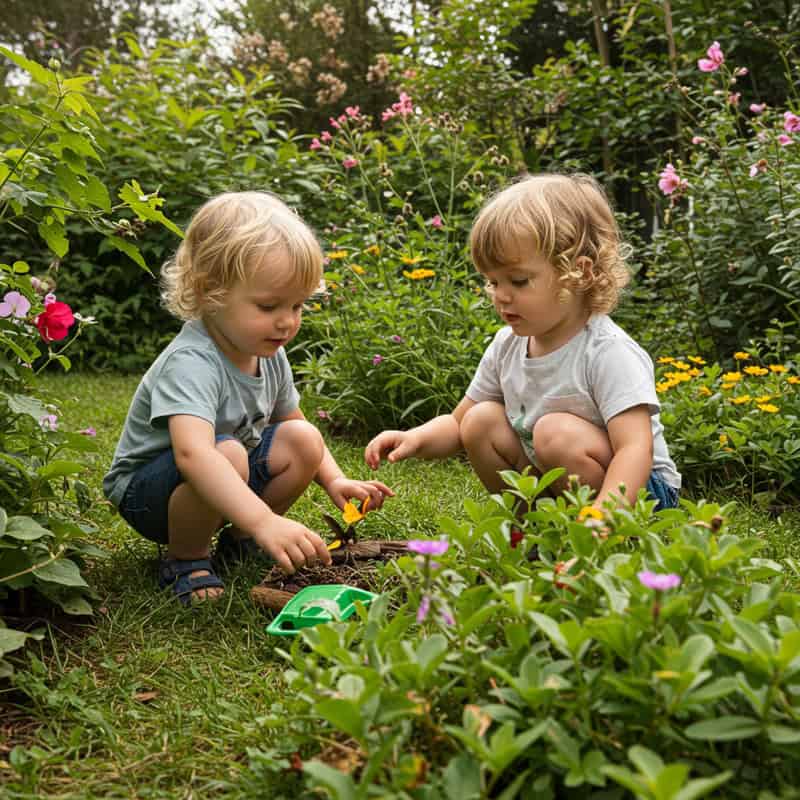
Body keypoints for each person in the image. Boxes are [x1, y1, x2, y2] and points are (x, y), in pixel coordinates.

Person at [104, 191, 393, 605]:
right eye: (269, 305)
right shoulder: (191, 363)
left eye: (298, 305)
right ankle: (186, 559)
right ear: (209, 292)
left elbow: (293, 421)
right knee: (227, 454)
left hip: (223, 474)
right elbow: (193, 456)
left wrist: (334, 480)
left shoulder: (268, 353)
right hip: (151, 497)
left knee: (303, 438)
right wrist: (265, 519)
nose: (287, 321)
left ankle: (241, 543)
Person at [365, 173, 680, 512]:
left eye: (518, 280)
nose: (500, 296)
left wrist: (603, 518)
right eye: (492, 282)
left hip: (640, 493)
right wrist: (415, 438)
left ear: (580, 272)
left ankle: (600, 534)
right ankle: (535, 530)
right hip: (561, 479)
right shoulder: (508, 345)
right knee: (480, 420)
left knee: (554, 432)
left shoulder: (607, 351)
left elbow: (635, 450)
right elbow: (458, 424)